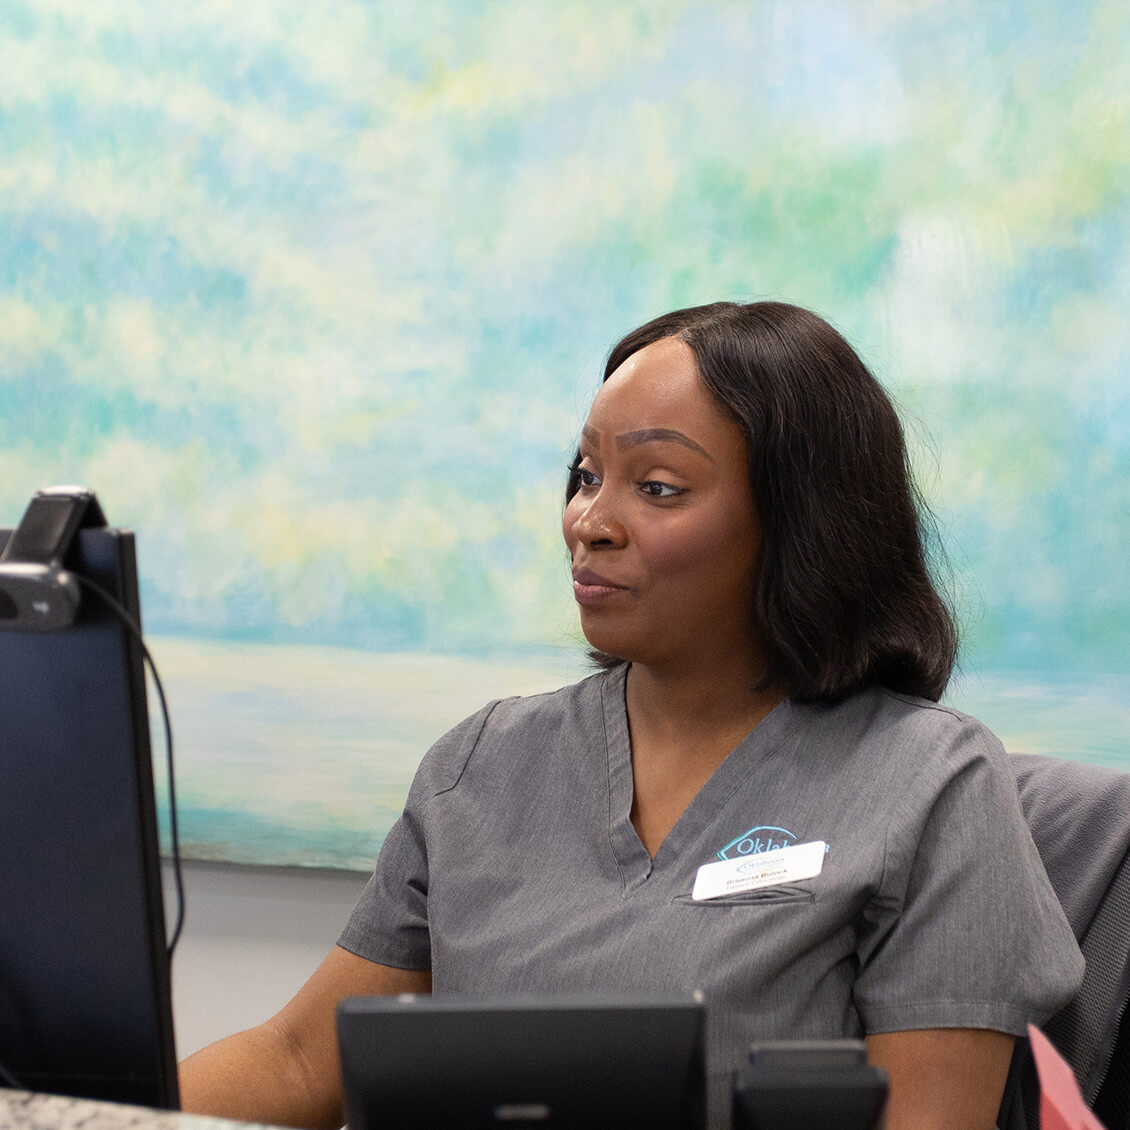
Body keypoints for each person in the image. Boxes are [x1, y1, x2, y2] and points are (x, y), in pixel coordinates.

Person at [180, 301, 1083, 1130]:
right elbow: (300, 1061)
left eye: (657, 487)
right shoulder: (484, 764)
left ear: (801, 523)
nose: (590, 521)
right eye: (585, 474)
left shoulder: (929, 783)